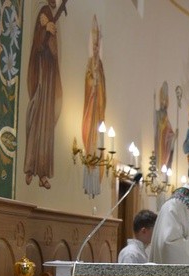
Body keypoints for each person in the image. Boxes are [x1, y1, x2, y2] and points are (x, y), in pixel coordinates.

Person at [23, 0, 65, 190]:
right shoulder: (43, 11)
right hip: (41, 76)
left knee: (47, 127)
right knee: (35, 119)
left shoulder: (52, 17)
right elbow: (37, 45)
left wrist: (52, 34)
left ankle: (43, 173)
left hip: (50, 79)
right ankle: (30, 167)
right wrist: (45, 30)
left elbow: (55, 53)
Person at [82, 15, 106, 198]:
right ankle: (89, 161)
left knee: (97, 140)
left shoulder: (101, 67)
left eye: (99, 45)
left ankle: (94, 168)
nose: (96, 48)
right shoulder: (91, 64)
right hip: (90, 107)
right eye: (95, 45)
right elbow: (88, 82)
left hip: (99, 111)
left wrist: (99, 85)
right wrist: (93, 83)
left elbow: (103, 93)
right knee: (89, 138)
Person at [155, 80, 175, 171]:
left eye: (165, 101)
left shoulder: (166, 118)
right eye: (162, 101)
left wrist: (173, 135)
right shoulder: (157, 114)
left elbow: (169, 130)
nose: (163, 103)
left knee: (163, 160)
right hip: (159, 142)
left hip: (164, 144)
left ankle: (161, 168)